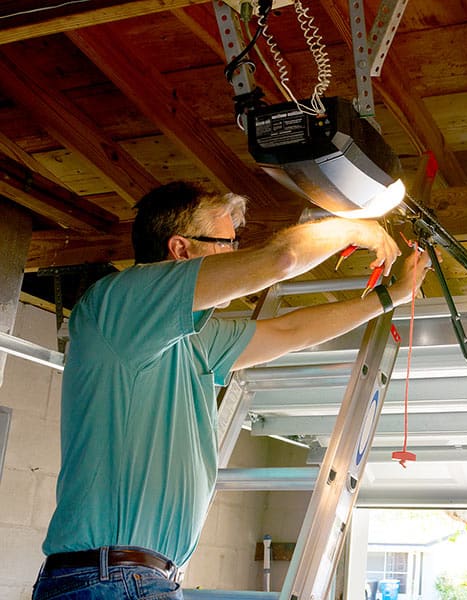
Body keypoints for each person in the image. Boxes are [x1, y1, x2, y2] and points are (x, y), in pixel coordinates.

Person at [33, 181, 431, 600]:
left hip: (133, 578)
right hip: (113, 577)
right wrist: (356, 228)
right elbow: (282, 258)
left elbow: (290, 331)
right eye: (226, 242)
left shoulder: (194, 340)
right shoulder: (119, 304)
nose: (234, 255)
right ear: (181, 250)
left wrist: (390, 297)